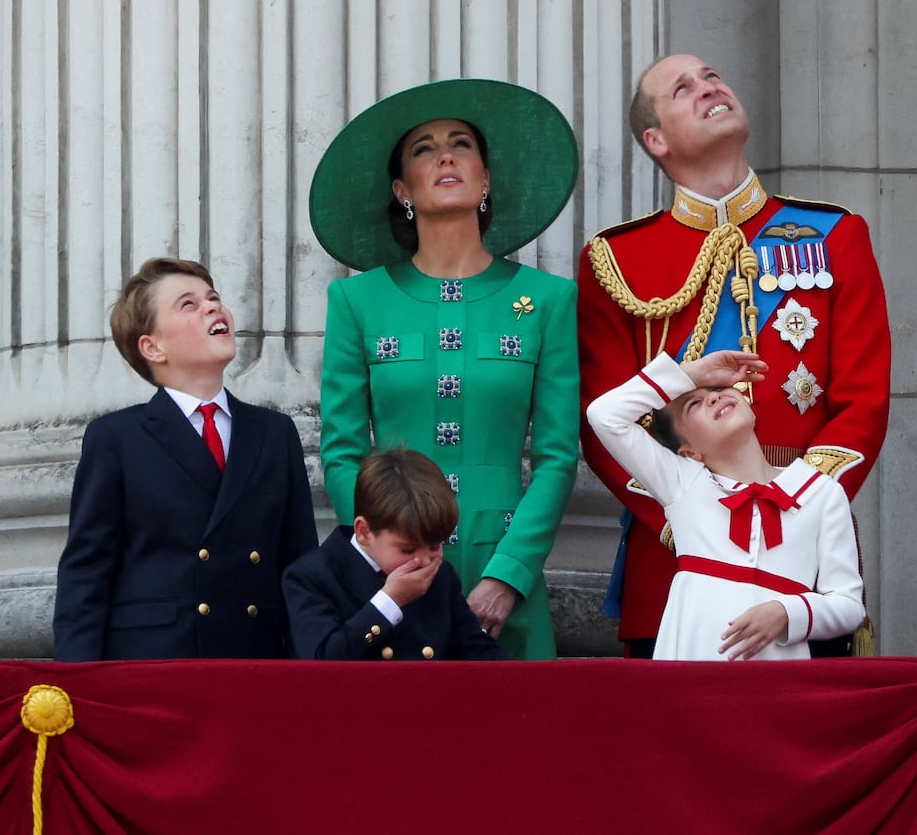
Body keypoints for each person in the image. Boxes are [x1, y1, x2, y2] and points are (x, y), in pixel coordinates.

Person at [578, 54, 890, 658]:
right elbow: (601, 422)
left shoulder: (834, 234)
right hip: (674, 562)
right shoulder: (615, 259)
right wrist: (693, 518)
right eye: (684, 88)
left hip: (805, 565)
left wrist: (796, 508)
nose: (710, 87)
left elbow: (864, 403)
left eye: (714, 76)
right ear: (656, 139)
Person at [311, 79, 580, 660]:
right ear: (402, 188)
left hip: (505, 565)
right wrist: (386, 553)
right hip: (394, 578)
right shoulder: (357, 302)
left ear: (485, 179)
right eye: (423, 149)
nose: (446, 155)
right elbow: (342, 450)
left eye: (461, 143)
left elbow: (558, 456)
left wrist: (509, 575)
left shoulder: (548, 299)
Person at [53, 258, 318, 660]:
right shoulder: (116, 438)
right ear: (152, 346)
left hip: (253, 661)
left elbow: (299, 565)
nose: (213, 307)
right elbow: (86, 573)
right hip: (153, 663)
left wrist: (308, 678)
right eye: (188, 304)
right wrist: (78, 687)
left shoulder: (275, 433)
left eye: (213, 298)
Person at [586, 350, 865, 660]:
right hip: (692, 667)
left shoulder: (821, 493)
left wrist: (788, 611)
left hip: (778, 675)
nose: (714, 398)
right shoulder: (682, 484)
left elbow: (848, 604)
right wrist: (691, 374)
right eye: (694, 403)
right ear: (688, 451)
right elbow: (604, 416)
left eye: (719, 390)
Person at [283, 449, 507, 661]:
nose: (425, 560)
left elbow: (478, 652)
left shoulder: (441, 575)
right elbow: (322, 661)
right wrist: (389, 601)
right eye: (408, 549)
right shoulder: (312, 577)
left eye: (435, 546)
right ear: (364, 532)